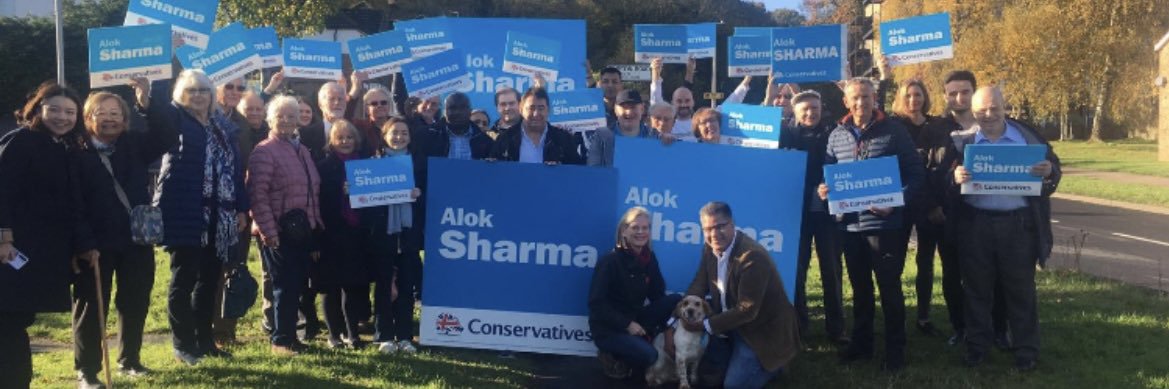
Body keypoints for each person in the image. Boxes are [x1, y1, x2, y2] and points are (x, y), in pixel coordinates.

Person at [142, 70, 249, 366]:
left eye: (204, 90)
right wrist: (162, 71)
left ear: (212, 94)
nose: (199, 95)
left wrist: (241, 208)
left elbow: (234, 171)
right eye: (192, 90)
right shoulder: (175, 119)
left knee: (209, 280)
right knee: (183, 279)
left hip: (220, 215)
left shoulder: (222, 126)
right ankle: (183, 345)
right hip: (184, 212)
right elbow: (157, 111)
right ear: (181, 93)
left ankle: (205, 340)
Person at [950, 86, 1060, 371]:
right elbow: (940, 178)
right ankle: (976, 348)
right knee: (976, 291)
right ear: (973, 113)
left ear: (1004, 107)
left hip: (1018, 226)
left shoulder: (1027, 137)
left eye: (993, 108)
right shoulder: (962, 142)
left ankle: (1026, 352)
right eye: (981, 110)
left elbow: (1054, 172)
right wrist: (953, 176)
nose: (988, 115)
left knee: (1021, 291)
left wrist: (1049, 173)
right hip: (976, 224)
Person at [819, 77, 923, 372]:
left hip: (885, 226)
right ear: (846, 102)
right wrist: (823, 190)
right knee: (860, 289)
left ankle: (895, 349)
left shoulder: (894, 131)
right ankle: (862, 344)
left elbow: (916, 174)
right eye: (855, 98)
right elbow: (827, 176)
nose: (861, 102)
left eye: (866, 97)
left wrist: (897, 200)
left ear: (874, 98)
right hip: (849, 227)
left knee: (889, 289)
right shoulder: (836, 135)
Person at [71, 87, 173, 387]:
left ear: (125, 118)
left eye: (116, 113)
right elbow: (73, 201)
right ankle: (87, 371)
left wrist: (146, 104)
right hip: (95, 244)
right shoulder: (77, 150)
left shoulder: (134, 144)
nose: (109, 119)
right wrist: (84, 243)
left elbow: (167, 135)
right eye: (101, 113)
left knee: (135, 301)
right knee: (91, 306)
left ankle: (130, 359)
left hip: (135, 240)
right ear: (88, 117)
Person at [0, 82, 87, 389]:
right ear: (38, 109)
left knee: (18, 318)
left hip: (41, 251)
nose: (62, 117)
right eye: (55, 110)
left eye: (70, 112)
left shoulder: (62, 146)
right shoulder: (22, 140)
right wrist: (4, 238)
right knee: (8, 319)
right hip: (12, 250)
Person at [684, 202, 800, 388]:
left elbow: (747, 310)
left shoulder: (752, 256)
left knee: (733, 385)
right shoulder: (709, 248)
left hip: (760, 331)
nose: (714, 234)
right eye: (708, 229)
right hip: (729, 323)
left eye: (720, 226)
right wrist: (684, 309)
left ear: (732, 224)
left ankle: (776, 364)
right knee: (711, 379)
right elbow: (700, 283)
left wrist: (705, 325)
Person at [884, 73, 964, 339]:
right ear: (900, 99)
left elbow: (939, 167)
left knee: (926, 261)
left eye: (917, 94)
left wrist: (934, 204)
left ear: (925, 97)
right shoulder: (894, 125)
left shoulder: (939, 125)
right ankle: (894, 316)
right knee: (894, 263)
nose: (913, 99)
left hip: (930, 205)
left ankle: (924, 316)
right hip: (903, 202)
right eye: (907, 95)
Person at [248, 95, 323, 356]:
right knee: (283, 287)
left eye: (292, 116)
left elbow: (312, 192)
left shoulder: (302, 151)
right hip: (278, 231)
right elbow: (257, 195)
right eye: (281, 115)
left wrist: (314, 228)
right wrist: (269, 231)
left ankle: (292, 337)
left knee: (295, 286)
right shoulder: (264, 151)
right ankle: (281, 340)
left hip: (302, 231)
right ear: (271, 119)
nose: (287, 120)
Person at [778, 90, 848, 346]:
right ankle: (799, 326)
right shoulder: (786, 134)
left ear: (822, 108)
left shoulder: (834, 131)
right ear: (794, 112)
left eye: (814, 108)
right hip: (795, 213)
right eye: (805, 109)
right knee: (797, 272)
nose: (810, 113)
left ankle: (837, 328)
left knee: (831, 270)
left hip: (828, 213)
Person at [588, 207, 682, 379]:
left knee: (677, 300)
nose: (641, 232)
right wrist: (627, 324)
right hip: (609, 329)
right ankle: (611, 356)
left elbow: (658, 296)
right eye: (635, 227)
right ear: (624, 231)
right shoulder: (610, 261)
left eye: (645, 228)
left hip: (636, 318)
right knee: (650, 356)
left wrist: (669, 329)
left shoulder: (649, 258)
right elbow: (596, 304)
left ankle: (647, 339)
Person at [213, 90, 269, 346]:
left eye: (239, 87)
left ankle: (226, 331)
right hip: (215, 208)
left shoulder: (251, 131)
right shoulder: (216, 123)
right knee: (213, 272)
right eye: (230, 87)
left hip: (240, 211)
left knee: (233, 270)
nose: (254, 114)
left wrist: (244, 210)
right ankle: (210, 330)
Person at [366, 116, 425, 354]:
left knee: (407, 287)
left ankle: (405, 336)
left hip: (409, 237)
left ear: (410, 137)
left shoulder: (419, 165)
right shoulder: (372, 164)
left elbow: (428, 201)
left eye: (404, 133)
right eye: (394, 133)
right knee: (382, 287)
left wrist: (419, 195)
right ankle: (384, 336)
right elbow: (367, 204)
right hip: (383, 236)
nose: (399, 137)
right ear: (385, 136)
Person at [316, 120, 373, 349]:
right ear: (332, 141)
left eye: (349, 137)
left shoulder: (367, 165)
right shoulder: (323, 166)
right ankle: (333, 335)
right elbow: (319, 201)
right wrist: (340, 190)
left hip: (357, 234)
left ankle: (353, 334)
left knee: (353, 286)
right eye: (340, 138)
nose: (345, 142)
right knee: (331, 287)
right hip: (331, 234)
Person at [649, 57, 751, 139]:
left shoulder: (703, 122)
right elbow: (656, 101)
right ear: (672, 103)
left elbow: (730, 104)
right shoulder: (667, 124)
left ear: (693, 102)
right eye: (679, 101)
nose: (684, 104)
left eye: (687, 101)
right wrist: (655, 73)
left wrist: (747, 79)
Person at [491, 87, 583, 164]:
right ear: (521, 109)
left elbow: (576, 172)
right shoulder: (505, 139)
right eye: (531, 108)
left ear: (548, 110)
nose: (536, 114)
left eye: (541, 108)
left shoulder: (563, 139)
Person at [586, 90, 659, 167]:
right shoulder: (601, 137)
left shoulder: (654, 136)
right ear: (615, 110)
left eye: (633, 107)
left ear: (642, 109)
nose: (629, 112)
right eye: (624, 107)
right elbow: (594, 169)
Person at [424, 92, 494, 160]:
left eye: (463, 108)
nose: (458, 112)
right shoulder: (427, 136)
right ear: (445, 112)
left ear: (470, 111)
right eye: (452, 108)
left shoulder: (486, 142)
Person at [300, 81, 351, 162]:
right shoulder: (305, 134)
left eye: (340, 99)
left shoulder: (357, 132)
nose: (337, 102)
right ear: (320, 104)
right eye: (331, 99)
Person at [352, 87, 395, 154]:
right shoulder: (359, 127)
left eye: (383, 102)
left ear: (389, 105)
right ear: (366, 109)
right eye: (374, 103)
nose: (379, 105)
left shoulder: (399, 124)